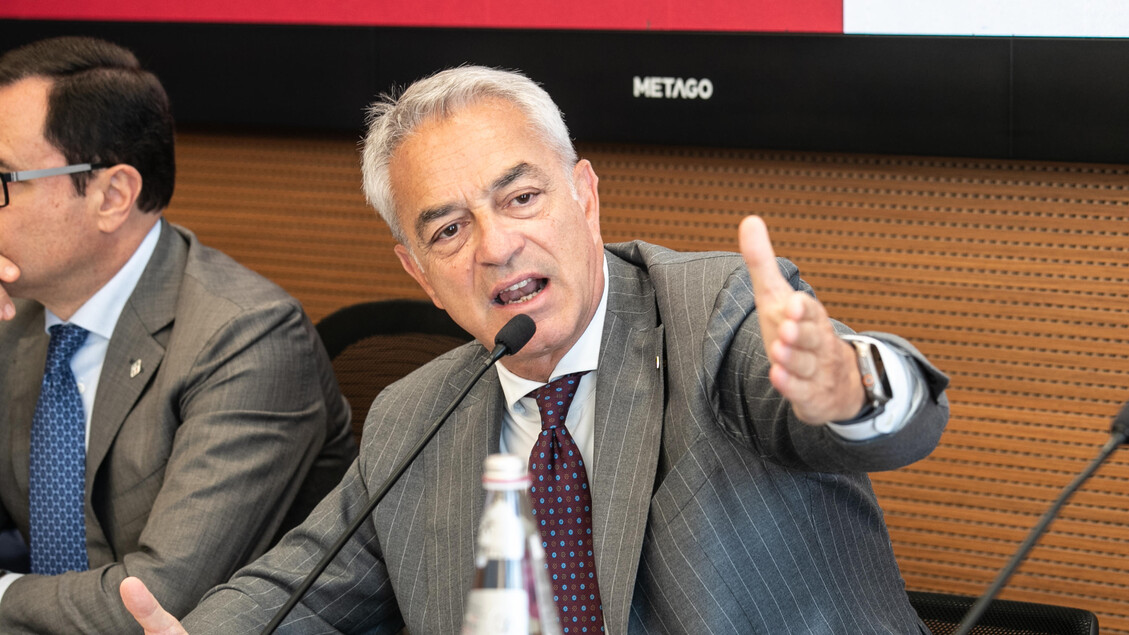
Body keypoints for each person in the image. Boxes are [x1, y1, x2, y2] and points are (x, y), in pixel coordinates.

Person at [123, 65, 949, 634]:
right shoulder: (415, 416)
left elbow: (890, 423)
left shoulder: (710, 315)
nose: (496, 246)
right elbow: (298, 587)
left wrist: (850, 386)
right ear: (418, 272)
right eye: (449, 229)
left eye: (519, 197)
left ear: (583, 197)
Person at [0, 36, 356, 633]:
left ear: (113, 196)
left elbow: (157, 600)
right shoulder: (17, 317)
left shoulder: (246, 337)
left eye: (4, 177)